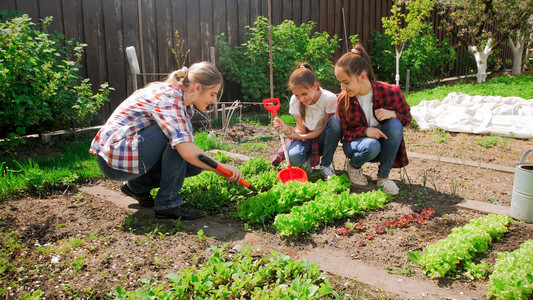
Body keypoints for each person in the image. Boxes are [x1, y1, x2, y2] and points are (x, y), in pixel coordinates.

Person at [89, 61, 243, 220]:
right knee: (180, 139)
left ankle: (136, 187)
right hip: (115, 160)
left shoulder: (179, 98)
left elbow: (188, 155)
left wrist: (215, 166)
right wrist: (222, 168)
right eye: (212, 94)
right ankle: (168, 204)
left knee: (194, 166)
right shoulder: (170, 98)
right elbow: (186, 150)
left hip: (124, 157)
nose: (214, 101)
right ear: (197, 88)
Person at [334, 45, 411, 195]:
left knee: (395, 125)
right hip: (357, 146)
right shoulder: (343, 100)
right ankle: (354, 167)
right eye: (340, 83)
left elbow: (407, 119)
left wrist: (393, 114)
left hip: (384, 148)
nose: (342, 87)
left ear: (362, 76)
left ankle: (383, 178)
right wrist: (366, 131)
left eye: (346, 82)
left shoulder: (391, 92)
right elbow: (346, 134)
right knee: (371, 144)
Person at [272, 63, 341, 180]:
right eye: (297, 95)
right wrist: (288, 131)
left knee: (335, 122)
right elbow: (301, 130)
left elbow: (326, 129)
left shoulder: (329, 98)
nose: (301, 99)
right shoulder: (295, 100)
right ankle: (305, 162)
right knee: (293, 156)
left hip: (324, 139)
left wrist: (299, 136)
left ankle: (325, 165)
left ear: (315, 86)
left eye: (304, 94)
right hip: (306, 138)